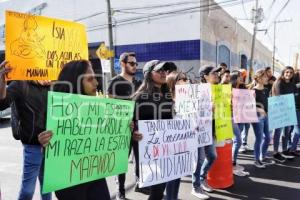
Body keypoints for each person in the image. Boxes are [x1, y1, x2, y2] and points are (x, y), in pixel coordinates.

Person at [38, 60, 110, 200]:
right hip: (67, 179)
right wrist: (43, 141)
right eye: (90, 79)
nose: (96, 83)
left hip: (94, 173)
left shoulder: (100, 108)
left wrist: (127, 131)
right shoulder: (56, 109)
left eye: (95, 78)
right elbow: (48, 149)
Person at [0, 61, 52, 200]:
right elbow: (2, 103)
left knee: (47, 188)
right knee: (28, 191)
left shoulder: (52, 85)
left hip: (51, 146)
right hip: (32, 146)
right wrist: (1, 80)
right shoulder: (20, 84)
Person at [132, 60, 173, 200]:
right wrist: (133, 133)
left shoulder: (168, 95)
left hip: (166, 147)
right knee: (157, 190)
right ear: (149, 74)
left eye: (165, 70)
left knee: (162, 186)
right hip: (148, 149)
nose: (164, 73)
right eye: (159, 70)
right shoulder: (140, 97)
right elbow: (129, 122)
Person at [107, 52, 142, 199]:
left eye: (136, 64)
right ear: (122, 64)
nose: (135, 66)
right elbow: (109, 106)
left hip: (139, 127)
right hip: (122, 129)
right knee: (121, 162)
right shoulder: (115, 82)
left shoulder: (138, 83)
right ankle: (120, 191)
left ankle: (140, 182)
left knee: (140, 158)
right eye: (132, 63)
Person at [191, 65, 220, 200]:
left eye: (217, 73)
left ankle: (202, 179)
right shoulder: (197, 90)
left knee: (212, 156)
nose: (217, 75)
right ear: (205, 76)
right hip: (199, 130)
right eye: (214, 73)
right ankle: (195, 186)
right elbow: (192, 109)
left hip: (211, 128)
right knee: (199, 159)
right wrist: (210, 107)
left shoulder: (218, 90)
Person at [165, 71, 190, 200]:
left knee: (178, 173)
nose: (187, 81)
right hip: (170, 143)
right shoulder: (166, 100)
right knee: (171, 175)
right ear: (173, 82)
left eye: (187, 79)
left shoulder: (188, 99)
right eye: (183, 79)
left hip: (184, 141)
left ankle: (174, 196)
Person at [249, 69, 274, 168]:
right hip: (257, 117)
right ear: (258, 78)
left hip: (266, 116)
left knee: (267, 138)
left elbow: (267, 102)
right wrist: (259, 109)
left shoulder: (266, 90)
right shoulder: (253, 91)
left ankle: (262, 156)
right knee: (259, 138)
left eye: (266, 77)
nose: (266, 78)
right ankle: (256, 160)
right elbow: (248, 106)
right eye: (264, 76)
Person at [272, 66, 297, 162]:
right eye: (287, 72)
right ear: (283, 73)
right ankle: (275, 152)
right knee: (278, 131)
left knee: (287, 131)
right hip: (279, 111)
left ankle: (284, 150)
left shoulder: (292, 84)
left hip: (289, 110)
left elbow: (293, 96)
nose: (289, 74)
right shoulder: (279, 83)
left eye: (291, 72)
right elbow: (279, 97)